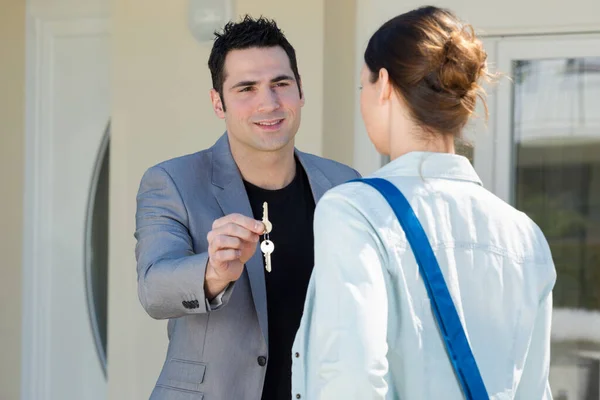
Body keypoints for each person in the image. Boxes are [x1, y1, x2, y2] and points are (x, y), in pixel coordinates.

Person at [292, 6, 556, 400]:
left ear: (382, 84)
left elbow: (349, 381)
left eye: (362, 86)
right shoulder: (525, 235)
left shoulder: (356, 210)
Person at [134, 15, 360, 400]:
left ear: (301, 91)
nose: (268, 103)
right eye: (246, 88)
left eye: (280, 84)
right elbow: (155, 289)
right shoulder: (172, 181)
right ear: (218, 103)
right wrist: (213, 271)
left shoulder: (344, 184)